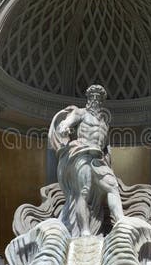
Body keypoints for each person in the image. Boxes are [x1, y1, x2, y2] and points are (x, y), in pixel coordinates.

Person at [48, 84, 124, 237]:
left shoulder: (104, 122)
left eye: (99, 97)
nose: (95, 100)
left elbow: (105, 146)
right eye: (92, 97)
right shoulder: (80, 113)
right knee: (84, 191)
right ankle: (84, 231)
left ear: (102, 101)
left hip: (98, 159)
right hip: (82, 155)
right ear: (88, 99)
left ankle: (121, 223)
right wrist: (65, 128)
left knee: (113, 187)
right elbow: (66, 123)